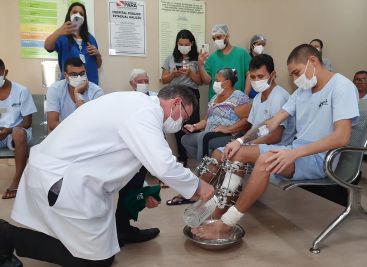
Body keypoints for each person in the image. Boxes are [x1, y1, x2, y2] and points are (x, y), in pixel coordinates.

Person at [0, 85, 214, 266]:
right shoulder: (145, 112)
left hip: (68, 173)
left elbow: (132, 163)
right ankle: (7, 236)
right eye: (184, 115)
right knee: (95, 262)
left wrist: (142, 195)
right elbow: (164, 165)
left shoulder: (136, 104)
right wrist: (198, 186)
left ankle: (118, 231)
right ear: (176, 103)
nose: (179, 122)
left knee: (104, 249)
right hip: (62, 179)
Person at [191, 44, 359, 240]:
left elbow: (341, 137)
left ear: (313, 61)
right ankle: (221, 209)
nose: (296, 79)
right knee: (235, 152)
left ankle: (226, 223)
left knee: (266, 161)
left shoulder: (342, 86)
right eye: (292, 75)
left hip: (321, 158)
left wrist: (294, 153)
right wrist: (241, 139)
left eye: (296, 73)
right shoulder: (301, 92)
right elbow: (272, 123)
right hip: (296, 151)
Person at [165, 68, 250, 206]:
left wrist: (228, 128)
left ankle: (199, 184)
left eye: (217, 80)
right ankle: (211, 171)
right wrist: (195, 127)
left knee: (203, 139)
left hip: (229, 136)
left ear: (227, 82)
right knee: (186, 139)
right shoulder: (214, 98)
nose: (214, 83)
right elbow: (206, 120)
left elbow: (247, 121)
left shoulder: (238, 97)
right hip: (209, 135)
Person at [161, 29, 202, 166]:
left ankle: (198, 158)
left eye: (186, 44)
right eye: (181, 44)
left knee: (193, 125)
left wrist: (190, 72)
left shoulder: (197, 60)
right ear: (177, 44)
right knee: (176, 126)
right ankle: (182, 157)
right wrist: (173, 74)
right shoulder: (170, 58)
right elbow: (164, 79)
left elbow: (200, 81)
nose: (183, 47)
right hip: (175, 93)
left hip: (192, 94)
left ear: (191, 44)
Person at [0, 59, 37, 200]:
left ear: (5, 72)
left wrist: (8, 131)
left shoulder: (21, 91)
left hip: (16, 133)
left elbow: (27, 122)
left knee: (18, 133)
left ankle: (16, 182)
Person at [44, 2, 102, 85]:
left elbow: (98, 65)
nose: (78, 15)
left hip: (91, 87)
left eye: (81, 14)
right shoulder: (62, 37)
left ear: (84, 18)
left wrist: (98, 55)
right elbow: (47, 46)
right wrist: (60, 31)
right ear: (69, 15)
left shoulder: (90, 39)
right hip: (69, 88)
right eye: (74, 12)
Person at [46, 57, 103, 132]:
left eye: (82, 73)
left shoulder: (96, 92)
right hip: (63, 133)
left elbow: (92, 122)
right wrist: (74, 131)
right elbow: (52, 124)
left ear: (86, 72)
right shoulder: (55, 89)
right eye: (74, 75)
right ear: (66, 76)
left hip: (87, 133)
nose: (79, 77)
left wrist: (77, 93)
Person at [198, 24, 251, 100]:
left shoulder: (242, 54)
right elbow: (207, 81)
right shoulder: (212, 58)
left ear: (227, 35)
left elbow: (249, 74)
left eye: (219, 37)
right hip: (216, 102)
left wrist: (245, 97)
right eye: (214, 38)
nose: (216, 40)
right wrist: (200, 66)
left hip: (237, 100)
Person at [245, 34, 267, 99]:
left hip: (263, 94)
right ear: (252, 45)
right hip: (250, 95)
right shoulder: (247, 59)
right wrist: (245, 98)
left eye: (263, 45)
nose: (261, 46)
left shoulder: (265, 60)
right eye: (259, 44)